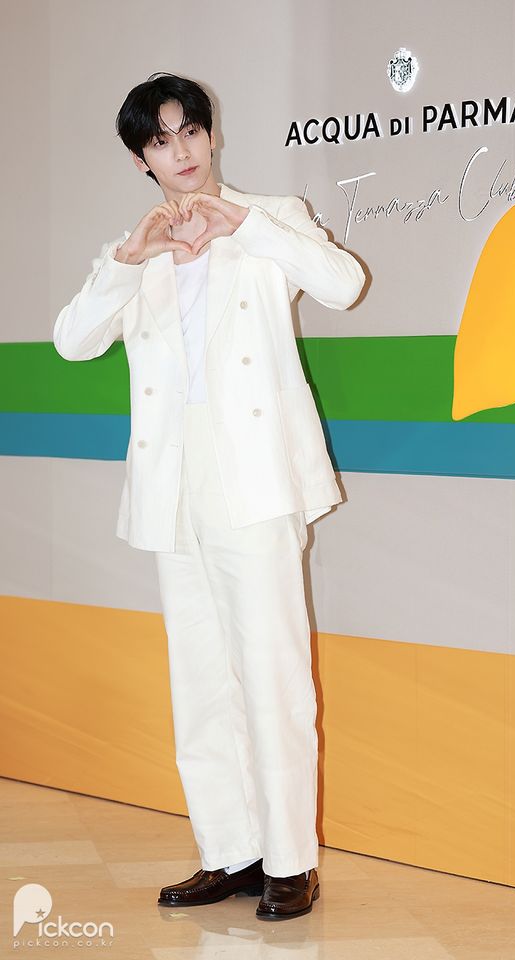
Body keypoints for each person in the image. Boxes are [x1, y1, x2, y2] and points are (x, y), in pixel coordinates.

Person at [53, 72, 365, 921]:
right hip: (171, 484)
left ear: (213, 134)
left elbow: (343, 283)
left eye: (191, 131)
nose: (182, 151)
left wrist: (244, 226)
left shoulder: (271, 217)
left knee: (271, 673)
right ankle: (230, 849)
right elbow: (73, 340)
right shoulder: (136, 248)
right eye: (161, 141)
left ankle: (290, 861)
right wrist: (129, 261)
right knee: (198, 679)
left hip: (252, 477)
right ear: (140, 160)